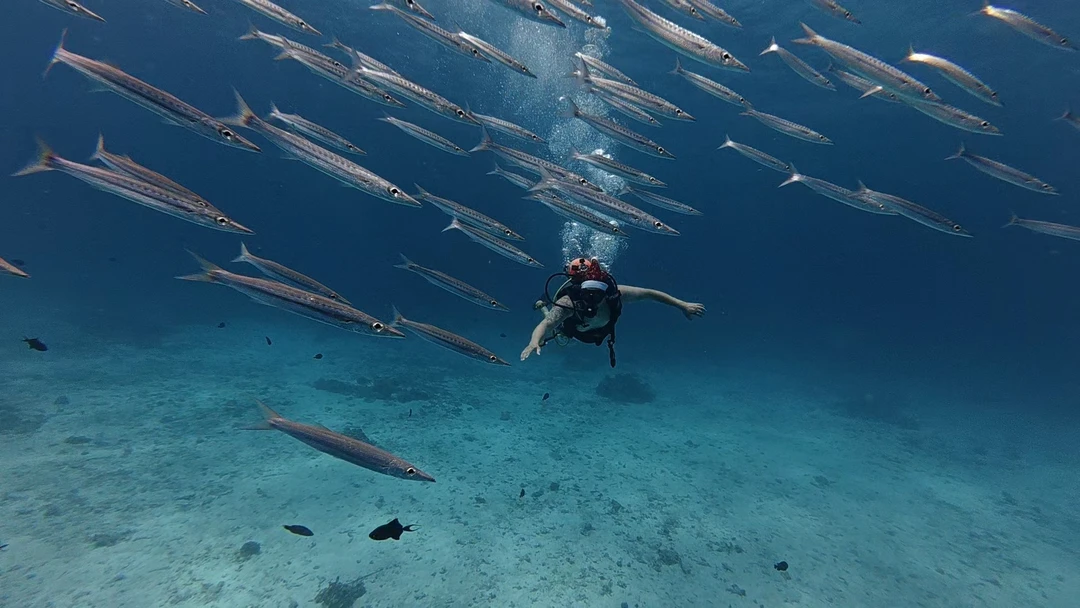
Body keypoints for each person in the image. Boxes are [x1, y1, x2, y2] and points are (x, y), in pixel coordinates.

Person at [520, 257, 706, 366]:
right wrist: (533, 342)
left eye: (597, 295)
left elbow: (649, 293)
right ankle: (542, 306)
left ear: (605, 290)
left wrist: (683, 305)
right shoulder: (568, 302)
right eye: (588, 296)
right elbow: (546, 324)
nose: (593, 300)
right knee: (561, 337)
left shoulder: (616, 293)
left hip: (601, 331)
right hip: (576, 331)